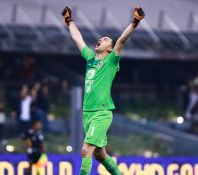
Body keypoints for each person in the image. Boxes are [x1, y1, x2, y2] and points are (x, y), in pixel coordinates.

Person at [62, 6, 145, 175]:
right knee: (100, 155)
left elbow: (121, 40)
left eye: (106, 39)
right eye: (102, 38)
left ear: (109, 49)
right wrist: (69, 22)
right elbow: (78, 39)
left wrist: (135, 22)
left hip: (101, 113)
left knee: (86, 150)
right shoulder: (90, 59)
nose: (101, 39)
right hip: (88, 113)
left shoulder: (111, 61)